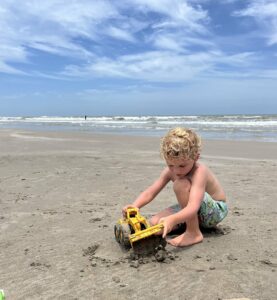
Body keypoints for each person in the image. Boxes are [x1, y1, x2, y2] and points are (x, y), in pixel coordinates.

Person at [122, 127, 228, 247]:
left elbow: (193, 206)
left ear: (195, 157)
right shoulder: (170, 171)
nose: (176, 171)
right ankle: (188, 225)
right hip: (194, 211)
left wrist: (173, 219)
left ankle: (193, 232)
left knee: (181, 184)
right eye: (171, 165)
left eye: (182, 166)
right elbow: (151, 192)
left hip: (214, 211)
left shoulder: (200, 172)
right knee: (155, 225)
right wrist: (135, 206)